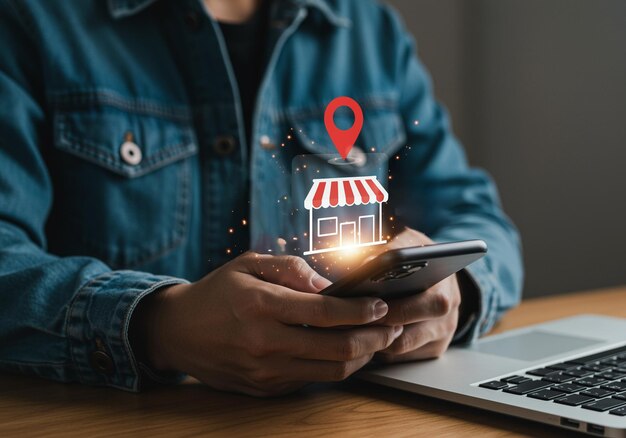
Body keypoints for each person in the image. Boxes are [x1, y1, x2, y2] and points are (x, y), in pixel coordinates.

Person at [0, 0, 523, 396]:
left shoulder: (364, 25)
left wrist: (458, 295)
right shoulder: (31, 20)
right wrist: (157, 325)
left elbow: (475, 217)